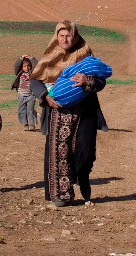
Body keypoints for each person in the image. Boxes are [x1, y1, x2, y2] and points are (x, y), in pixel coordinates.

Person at [30, 20, 109, 207]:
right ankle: (60, 195)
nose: (65, 39)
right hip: (58, 110)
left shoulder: (85, 55)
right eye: (61, 36)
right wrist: (44, 97)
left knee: (86, 150)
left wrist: (87, 80)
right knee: (59, 152)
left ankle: (80, 177)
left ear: (75, 36)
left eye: (68, 36)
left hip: (85, 110)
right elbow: (35, 80)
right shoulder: (49, 56)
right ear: (56, 37)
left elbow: (101, 82)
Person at [11, 54, 38, 131]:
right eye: (24, 66)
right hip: (21, 95)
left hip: (31, 95)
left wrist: (31, 58)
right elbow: (16, 65)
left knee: (30, 110)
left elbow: (36, 65)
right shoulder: (19, 73)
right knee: (21, 110)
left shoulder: (32, 73)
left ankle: (31, 124)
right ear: (22, 67)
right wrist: (21, 58)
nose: (27, 68)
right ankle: (24, 124)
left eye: (28, 66)